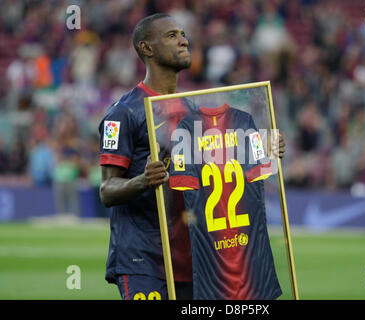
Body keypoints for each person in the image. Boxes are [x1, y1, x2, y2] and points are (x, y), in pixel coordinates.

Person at [98, 13, 285, 300]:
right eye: (171, 35)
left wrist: (263, 150)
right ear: (146, 48)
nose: (184, 40)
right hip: (144, 260)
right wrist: (144, 181)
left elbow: (220, 169)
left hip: (194, 258)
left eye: (183, 34)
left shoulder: (191, 110)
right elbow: (107, 190)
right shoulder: (124, 113)